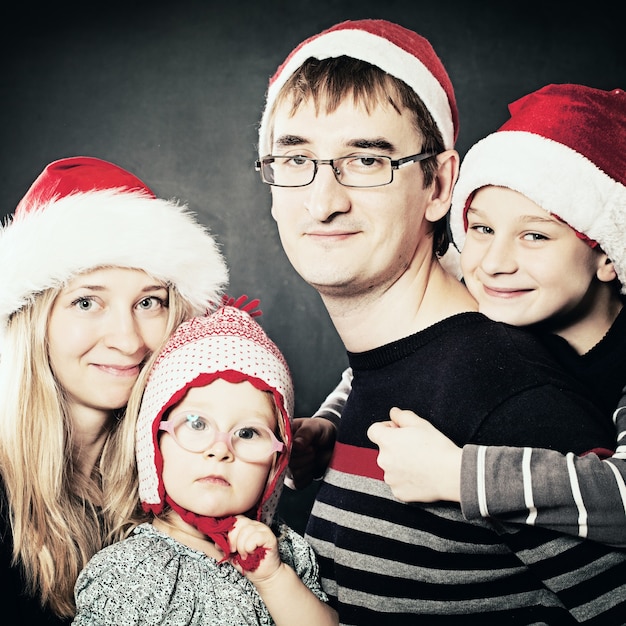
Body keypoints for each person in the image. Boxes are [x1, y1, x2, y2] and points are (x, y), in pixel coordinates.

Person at [255, 18, 626, 624]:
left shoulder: (506, 399)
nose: (322, 202)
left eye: (367, 159)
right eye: (295, 158)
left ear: (440, 185)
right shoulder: (385, 372)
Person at [367, 83, 626, 547]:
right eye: (482, 228)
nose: (493, 262)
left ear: (608, 254)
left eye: (535, 236)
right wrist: (326, 424)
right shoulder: (498, 302)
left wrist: (455, 475)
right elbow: (399, 354)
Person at [0, 156, 229, 624]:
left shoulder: (187, 476)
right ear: (30, 320)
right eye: (87, 302)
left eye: (149, 302)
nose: (128, 340)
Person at [72, 302, 337, 625]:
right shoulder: (129, 572)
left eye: (248, 432)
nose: (220, 450)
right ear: (154, 445)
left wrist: (273, 579)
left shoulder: (284, 556)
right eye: (197, 424)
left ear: (276, 463)